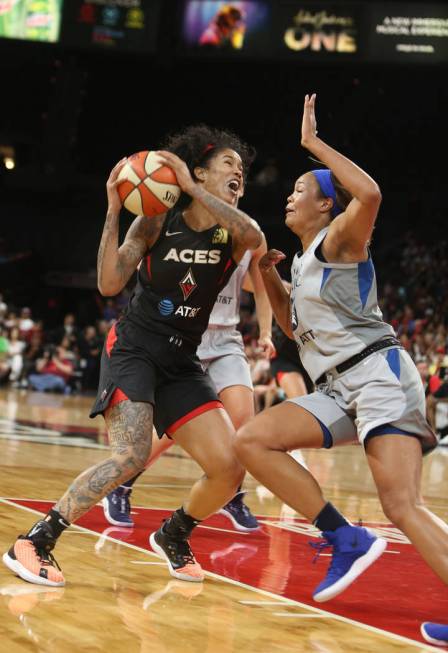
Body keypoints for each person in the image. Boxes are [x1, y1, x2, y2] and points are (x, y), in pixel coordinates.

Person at [3, 124, 262, 586]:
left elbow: (255, 235)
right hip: (134, 349)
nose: (239, 171)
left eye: (242, 168)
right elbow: (108, 284)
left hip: (182, 361)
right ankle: (35, 541)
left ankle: (174, 533)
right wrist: (112, 209)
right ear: (198, 172)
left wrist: (187, 186)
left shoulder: (234, 233)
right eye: (228, 164)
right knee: (131, 455)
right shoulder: (157, 220)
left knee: (229, 468)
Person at [235, 94, 445, 604]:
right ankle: (344, 536)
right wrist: (271, 277)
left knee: (402, 505)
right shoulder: (306, 260)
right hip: (337, 387)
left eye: (300, 189)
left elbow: (369, 194)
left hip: (377, 376)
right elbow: (290, 327)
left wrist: (313, 144)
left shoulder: (340, 241)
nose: (289, 197)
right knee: (252, 441)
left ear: (326, 203)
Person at [103, 238, 275, 532]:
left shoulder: (251, 235)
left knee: (244, 422)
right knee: (178, 425)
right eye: (228, 186)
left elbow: (258, 285)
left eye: (238, 187)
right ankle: (123, 482)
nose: (232, 191)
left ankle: (232, 493)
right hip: (187, 335)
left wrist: (266, 331)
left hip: (226, 339)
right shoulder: (189, 231)